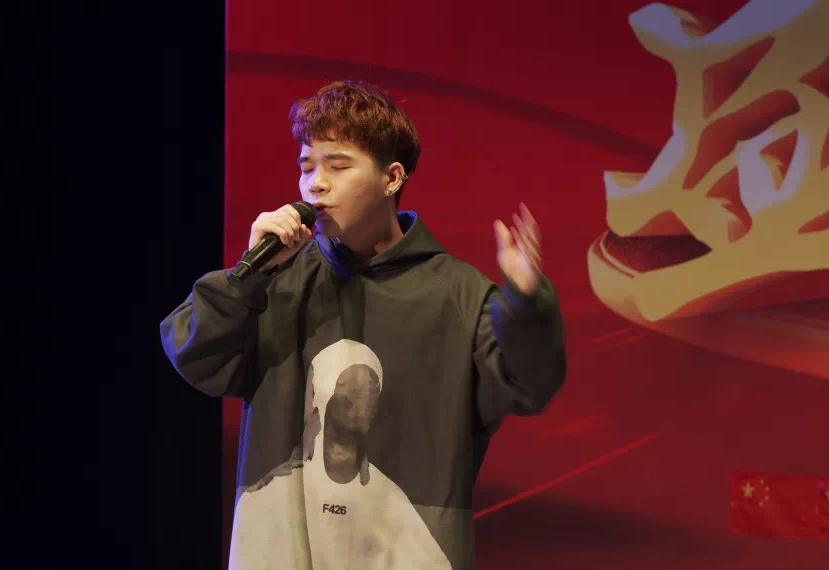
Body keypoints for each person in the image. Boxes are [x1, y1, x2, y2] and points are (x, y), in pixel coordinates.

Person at [160, 80, 566, 569]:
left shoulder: (457, 294)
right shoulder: (277, 279)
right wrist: (248, 275)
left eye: (338, 165)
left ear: (391, 178)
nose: (315, 184)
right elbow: (196, 357)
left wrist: (524, 304)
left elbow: (528, 386)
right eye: (306, 167)